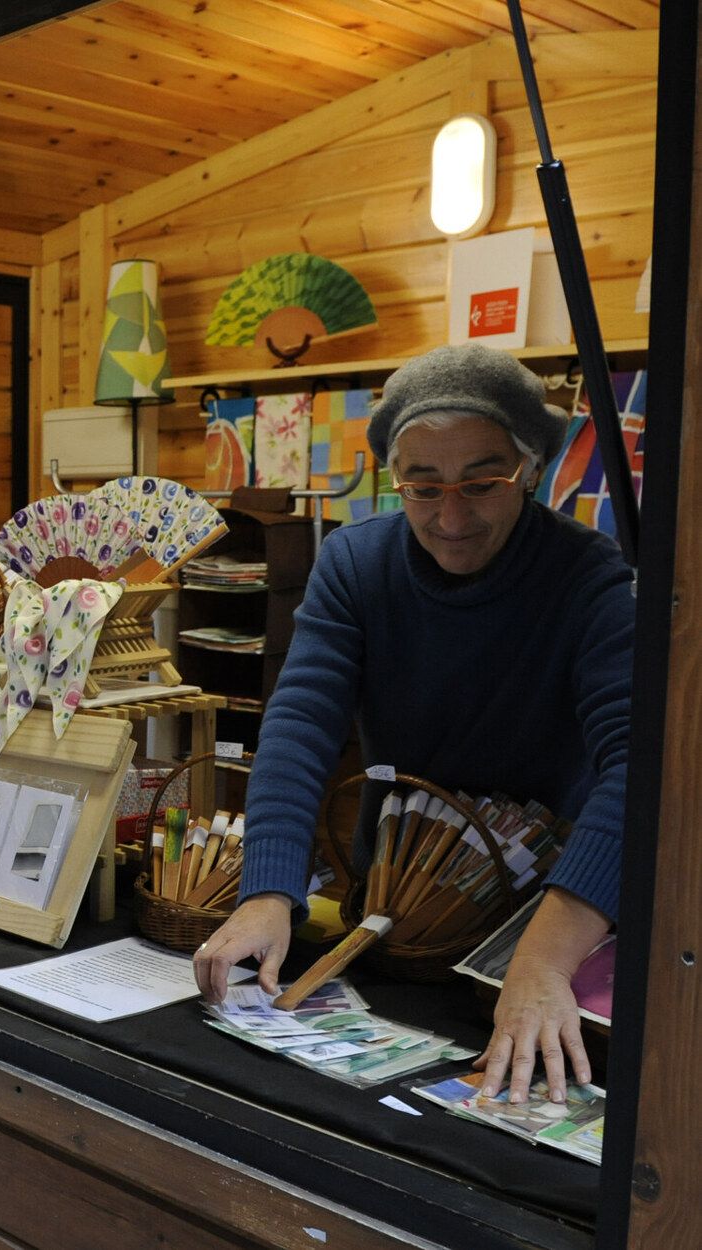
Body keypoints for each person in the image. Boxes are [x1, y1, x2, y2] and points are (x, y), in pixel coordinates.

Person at [193, 343, 631, 1107]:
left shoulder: (589, 578)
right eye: (421, 488)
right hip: (393, 913)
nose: (450, 517)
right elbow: (300, 724)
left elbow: (639, 767)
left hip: (546, 921)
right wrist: (267, 891)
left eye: (481, 483)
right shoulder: (355, 564)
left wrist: (546, 961)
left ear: (529, 467)